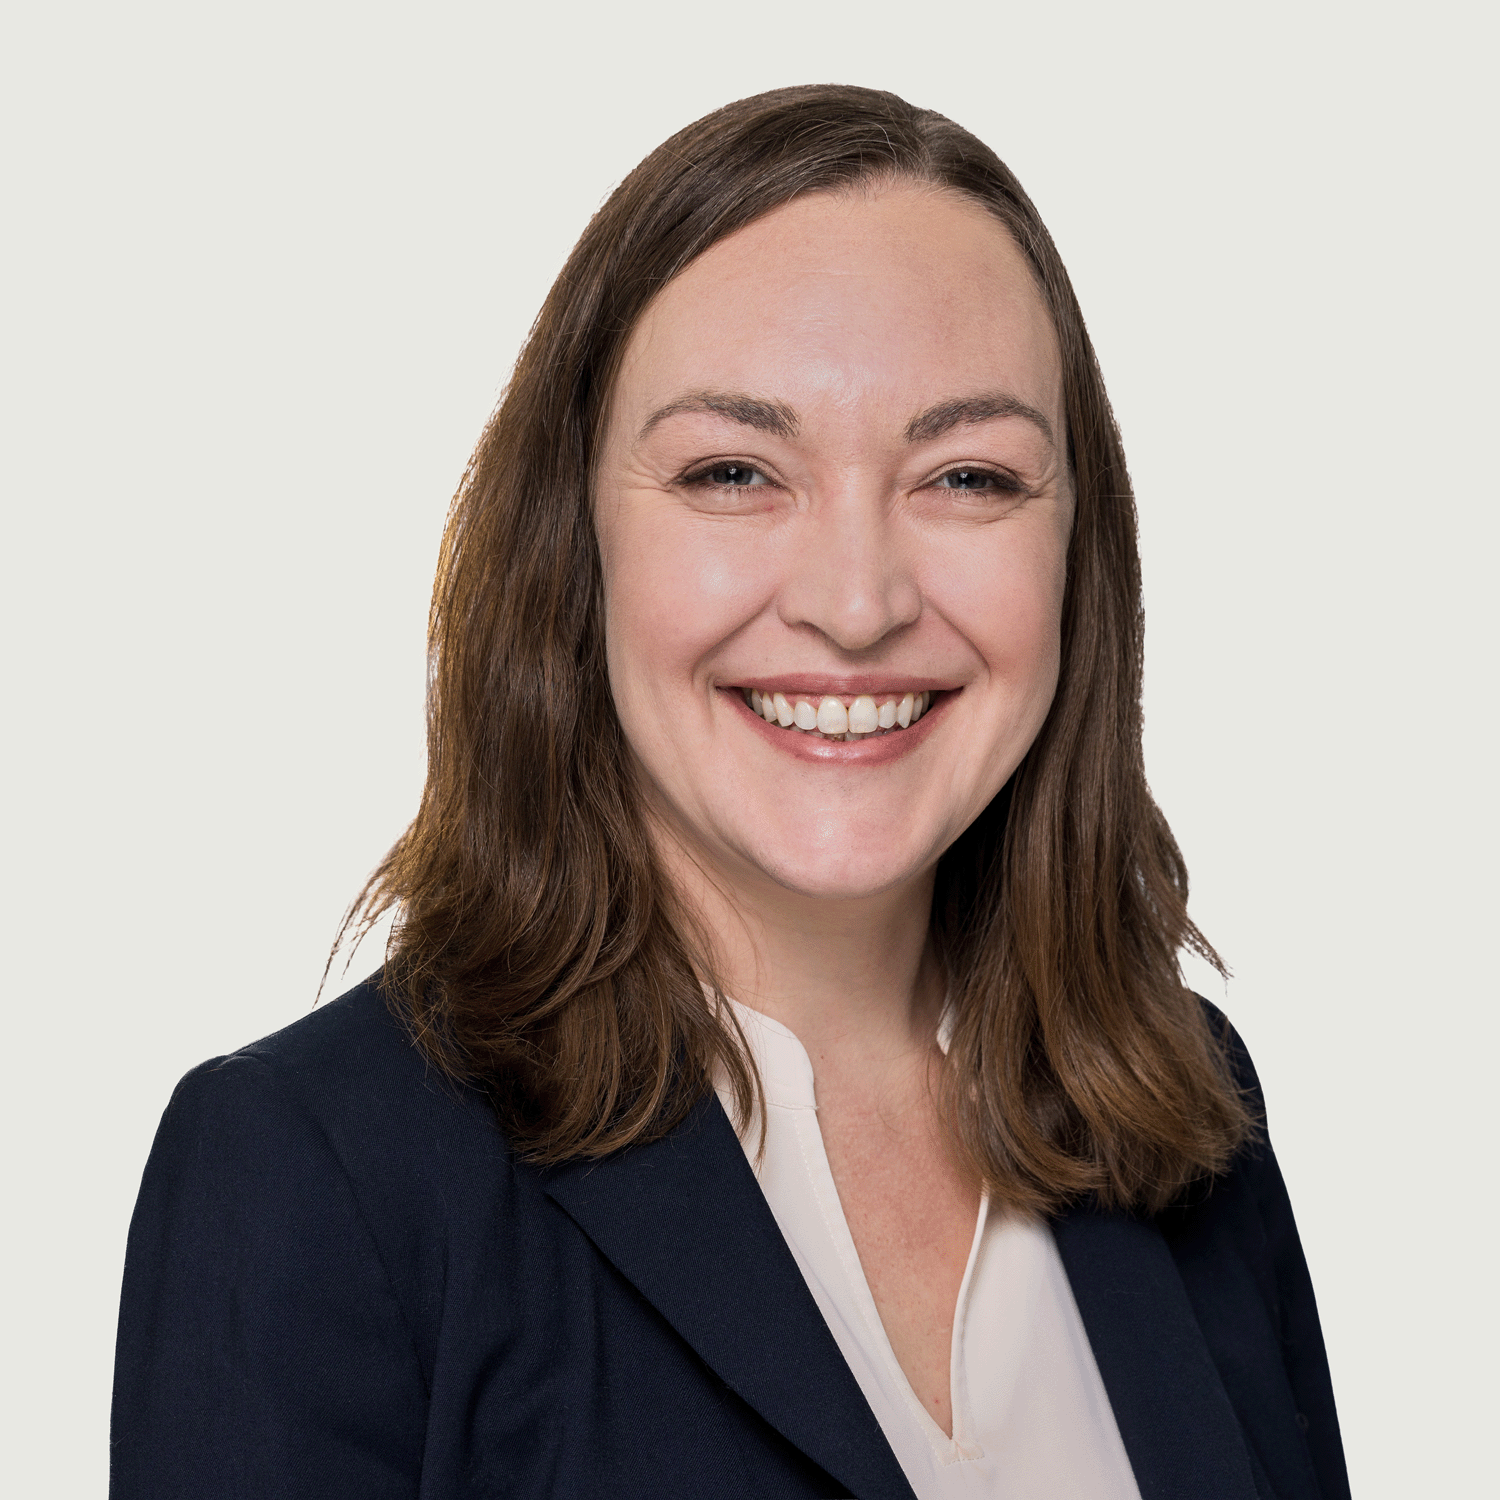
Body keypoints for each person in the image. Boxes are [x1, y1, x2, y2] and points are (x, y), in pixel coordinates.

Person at [110, 85, 1349, 1500]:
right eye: (733, 470)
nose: (858, 602)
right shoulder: (317, 1175)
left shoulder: (1185, 1112)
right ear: (570, 542)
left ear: (1079, 551)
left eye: (967, 475)